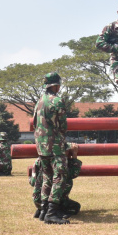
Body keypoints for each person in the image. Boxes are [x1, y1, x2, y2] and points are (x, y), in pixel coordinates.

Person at [34, 72, 70, 224]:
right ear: (56, 85)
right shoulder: (57, 101)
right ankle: (51, 213)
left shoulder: (39, 101)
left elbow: (35, 123)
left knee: (47, 176)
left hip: (41, 145)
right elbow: (63, 125)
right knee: (60, 176)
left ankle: (43, 210)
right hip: (54, 144)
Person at [31, 142, 81, 219]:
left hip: (38, 199)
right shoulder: (60, 163)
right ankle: (56, 211)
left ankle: (42, 209)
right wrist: (74, 156)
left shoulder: (40, 160)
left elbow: (32, 182)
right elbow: (73, 174)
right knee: (75, 206)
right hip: (53, 200)